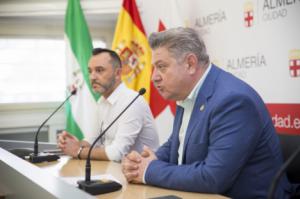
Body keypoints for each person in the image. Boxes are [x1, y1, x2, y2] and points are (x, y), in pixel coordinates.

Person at [121, 27, 292, 198]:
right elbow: (177, 143)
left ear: (190, 64)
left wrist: (149, 170)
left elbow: (213, 178)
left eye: (161, 67)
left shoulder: (233, 101)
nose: (154, 77)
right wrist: (143, 162)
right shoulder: (187, 94)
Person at [58, 48, 159, 162]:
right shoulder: (101, 102)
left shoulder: (132, 101)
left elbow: (117, 154)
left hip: (141, 175)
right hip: (115, 171)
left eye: (99, 70)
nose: (92, 77)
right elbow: (92, 140)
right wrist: (74, 144)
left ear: (117, 73)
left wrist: (77, 150)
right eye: (90, 71)